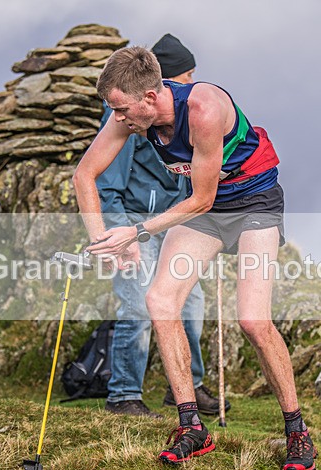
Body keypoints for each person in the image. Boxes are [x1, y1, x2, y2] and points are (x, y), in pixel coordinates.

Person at [72, 47, 316, 470]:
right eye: (115, 110)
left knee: (253, 321)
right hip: (207, 210)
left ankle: (297, 432)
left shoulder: (202, 108)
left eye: (123, 110)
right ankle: (192, 427)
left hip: (253, 203)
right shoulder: (129, 115)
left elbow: (201, 199)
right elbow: (84, 175)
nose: (120, 119)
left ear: (149, 97)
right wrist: (104, 240)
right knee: (160, 301)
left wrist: (139, 231)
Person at [97, 34, 228, 418]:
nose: (192, 84)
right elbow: (106, 184)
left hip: (176, 223)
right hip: (136, 222)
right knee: (138, 303)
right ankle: (123, 395)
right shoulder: (128, 122)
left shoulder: (190, 117)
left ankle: (185, 387)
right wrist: (123, 236)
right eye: (187, 75)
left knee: (192, 304)